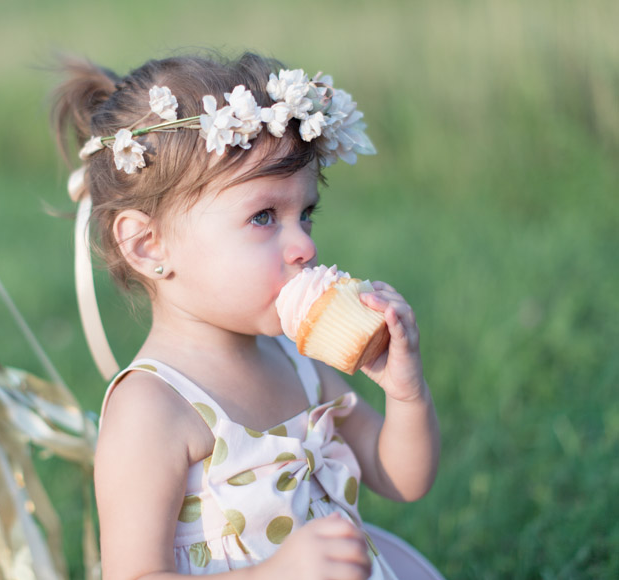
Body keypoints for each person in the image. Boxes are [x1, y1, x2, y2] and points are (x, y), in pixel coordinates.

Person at [51, 52, 441, 580]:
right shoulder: (152, 407)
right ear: (147, 246)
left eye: (305, 213)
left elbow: (401, 479)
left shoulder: (298, 363)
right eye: (263, 217)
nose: (303, 244)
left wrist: (406, 393)